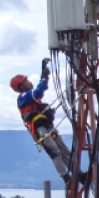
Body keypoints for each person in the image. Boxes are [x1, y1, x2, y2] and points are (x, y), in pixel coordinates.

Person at [11, 59, 78, 187]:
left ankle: (77, 174)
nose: (29, 82)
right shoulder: (23, 97)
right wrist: (44, 76)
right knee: (54, 151)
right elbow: (39, 91)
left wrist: (43, 73)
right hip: (39, 129)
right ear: (21, 86)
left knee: (65, 151)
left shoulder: (29, 98)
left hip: (46, 127)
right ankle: (66, 177)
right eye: (26, 81)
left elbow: (38, 91)